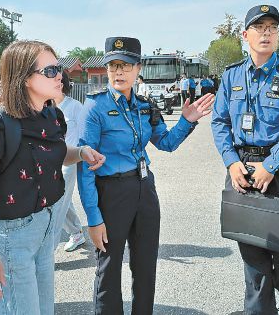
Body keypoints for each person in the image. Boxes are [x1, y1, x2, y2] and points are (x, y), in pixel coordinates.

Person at [0, 40, 105, 315]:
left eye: (59, 68)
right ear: (24, 78)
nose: (60, 76)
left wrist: (81, 152)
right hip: (11, 235)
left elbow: (55, 153)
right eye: (50, 70)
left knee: (43, 309)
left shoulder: (52, 115)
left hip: (47, 224)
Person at [78, 36, 214, 315]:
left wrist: (187, 121)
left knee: (145, 264)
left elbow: (166, 142)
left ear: (138, 69)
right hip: (111, 192)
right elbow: (85, 166)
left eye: (125, 66)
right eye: (113, 65)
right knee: (109, 267)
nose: (119, 72)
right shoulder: (95, 107)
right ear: (106, 70)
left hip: (144, 189)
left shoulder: (145, 106)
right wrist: (93, 217)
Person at [211, 5, 279, 315]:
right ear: (245, 35)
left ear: (278, 34)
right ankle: (259, 308)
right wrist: (230, 162)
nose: (266, 32)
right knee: (251, 239)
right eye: (259, 27)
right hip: (241, 166)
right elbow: (219, 122)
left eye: (272, 27)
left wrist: (271, 165)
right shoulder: (231, 76)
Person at [53, 71, 87, 252]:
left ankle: (47, 250)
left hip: (69, 162)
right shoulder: (45, 106)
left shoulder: (74, 106)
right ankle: (76, 232)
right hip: (49, 161)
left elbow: (84, 136)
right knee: (62, 200)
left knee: (57, 203)